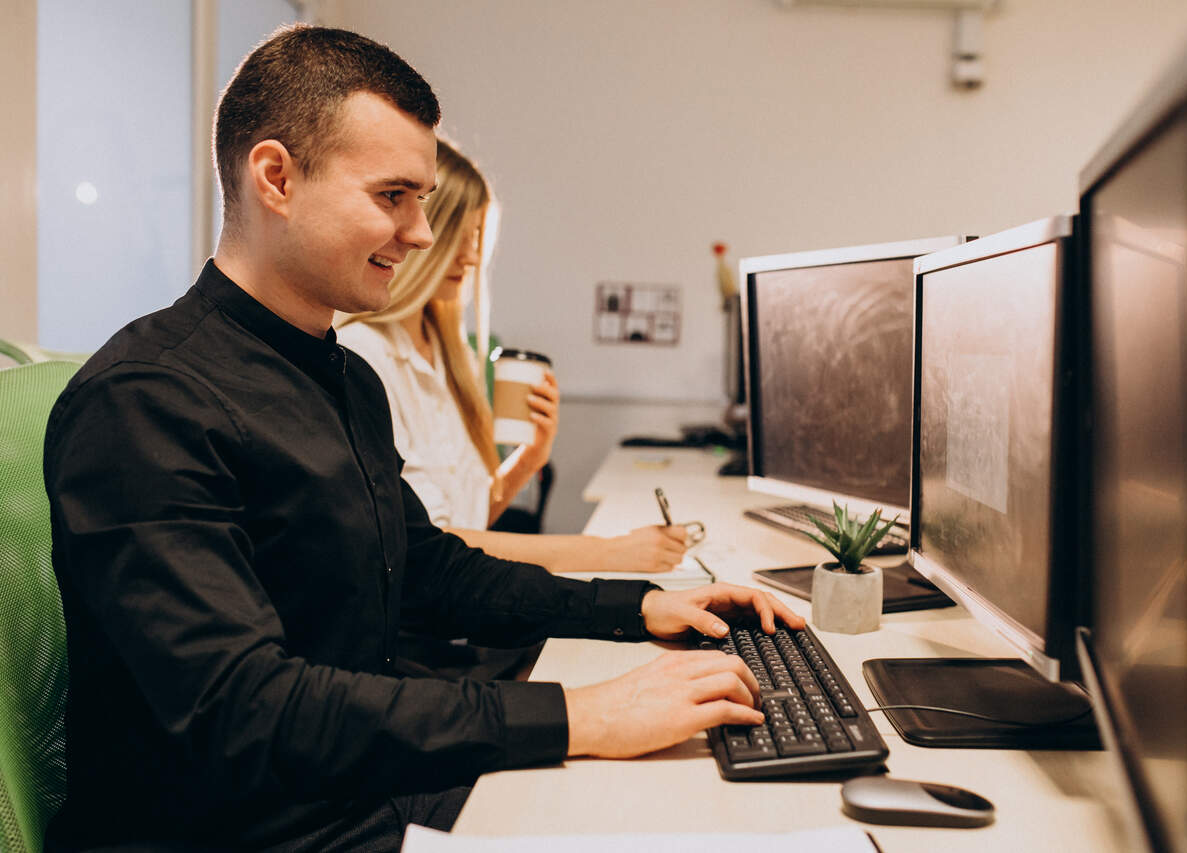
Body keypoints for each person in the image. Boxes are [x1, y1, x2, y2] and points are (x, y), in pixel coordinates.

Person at [42, 24, 801, 853]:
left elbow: (423, 566)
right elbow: (243, 706)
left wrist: (639, 607)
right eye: (392, 196)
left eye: (423, 202)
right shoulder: (147, 401)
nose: (419, 234)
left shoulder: (340, 375)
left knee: (700, 809)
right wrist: (579, 713)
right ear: (276, 178)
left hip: (355, 791)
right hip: (250, 831)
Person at [336, 141, 686, 575]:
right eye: (455, 236)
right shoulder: (363, 355)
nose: (470, 256)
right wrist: (604, 552)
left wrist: (530, 458)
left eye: (477, 238)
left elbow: (468, 520)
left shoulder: (450, 350)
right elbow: (427, 545)